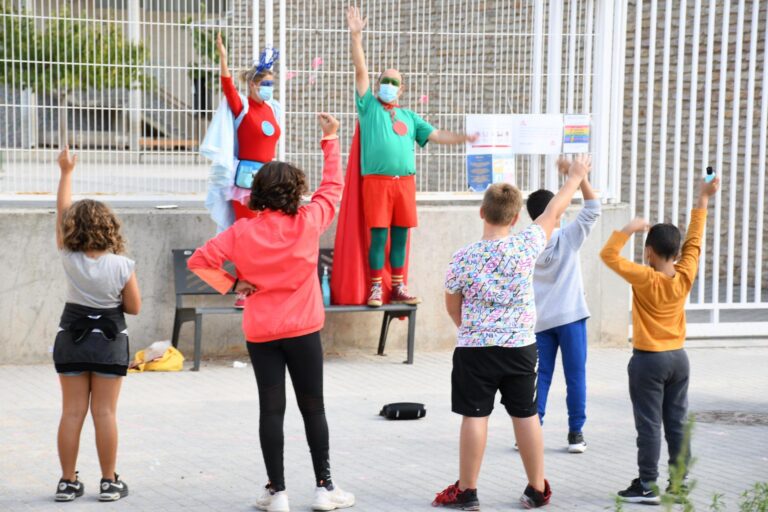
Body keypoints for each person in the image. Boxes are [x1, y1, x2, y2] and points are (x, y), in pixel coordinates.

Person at [188, 114, 355, 512]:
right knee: (313, 406)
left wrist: (232, 284)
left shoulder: (240, 232)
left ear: (259, 191)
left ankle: (277, 493)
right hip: (304, 329)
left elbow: (199, 261)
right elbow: (333, 187)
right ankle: (324, 488)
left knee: (271, 409)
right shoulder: (309, 221)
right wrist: (330, 139)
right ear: (295, 192)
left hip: (261, 330)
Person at [433, 155, 591, 510]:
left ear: (482, 213)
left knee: (474, 415)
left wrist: (470, 329)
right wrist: (577, 176)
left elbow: (451, 303)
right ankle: (536, 488)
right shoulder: (526, 245)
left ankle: (468, 491)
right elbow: (554, 211)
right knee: (525, 413)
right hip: (520, 346)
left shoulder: (463, 257)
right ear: (517, 217)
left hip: (475, 348)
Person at [346, 6, 478, 307]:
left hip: (404, 184)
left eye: (394, 83)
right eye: (385, 81)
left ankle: (398, 286)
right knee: (379, 236)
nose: (388, 86)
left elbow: (436, 135)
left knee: (401, 238)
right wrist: (356, 37)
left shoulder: (410, 116)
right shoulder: (369, 108)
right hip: (376, 182)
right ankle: (376, 288)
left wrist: (464, 138)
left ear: (402, 89)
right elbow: (360, 71)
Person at [600, 177, 721, 505]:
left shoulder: (644, 277)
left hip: (648, 360)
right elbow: (695, 240)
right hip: (678, 360)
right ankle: (678, 486)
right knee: (677, 423)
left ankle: (648, 485)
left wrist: (627, 229)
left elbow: (608, 256)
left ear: (648, 252)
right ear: (677, 252)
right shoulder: (685, 274)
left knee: (650, 425)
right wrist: (703, 198)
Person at [52, 146, 141, 502]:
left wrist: (66, 173)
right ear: (110, 227)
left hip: (70, 339)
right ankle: (108, 482)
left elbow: (61, 214)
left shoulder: (68, 257)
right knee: (104, 412)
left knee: (72, 412)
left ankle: (67, 482)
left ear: (73, 228)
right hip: (109, 342)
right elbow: (133, 307)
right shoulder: (123, 264)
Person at [526, 158, 601, 453]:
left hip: (541, 321)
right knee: (575, 376)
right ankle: (575, 434)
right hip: (570, 318)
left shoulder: (527, 242)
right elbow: (593, 209)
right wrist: (578, 177)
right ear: (558, 212)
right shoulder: (567, 237)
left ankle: (532, 431)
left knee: (539, 377)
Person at [214, 32, 283, 307]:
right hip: (245, 183)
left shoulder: (274, 109)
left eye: (272, 84)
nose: (269, 88)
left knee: (268, 237)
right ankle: (244, 288)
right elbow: (228, 86)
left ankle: (265, 286)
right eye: (265, 84)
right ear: (253, 85)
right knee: (246, 237)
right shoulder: (242, 106)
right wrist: (222, 57)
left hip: (269, 181)